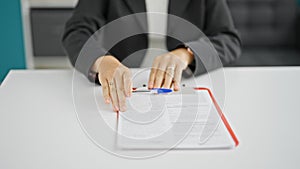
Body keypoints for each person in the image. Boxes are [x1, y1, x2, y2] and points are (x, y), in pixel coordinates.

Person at [62, 0, 241, 112]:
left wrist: (187, 53)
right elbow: (76, 32)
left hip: (186, 84)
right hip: (123, 86)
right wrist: (102, 61)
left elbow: (228, 38)